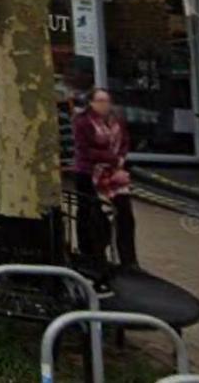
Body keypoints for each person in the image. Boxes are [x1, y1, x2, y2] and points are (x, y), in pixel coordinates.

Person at [72, 88, 139, 269]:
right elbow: (84, 150)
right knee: (92, 214)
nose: (104, 105)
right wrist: (112, 158)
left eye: (107, 101)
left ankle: (129, 259)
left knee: (125, 214)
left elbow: (124, 141)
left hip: (115, 172)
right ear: (91, 103)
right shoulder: (83, 122)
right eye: (100, 101)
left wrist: (121, 160)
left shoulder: (116, 120)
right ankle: (94, 254)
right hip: (90, 173)